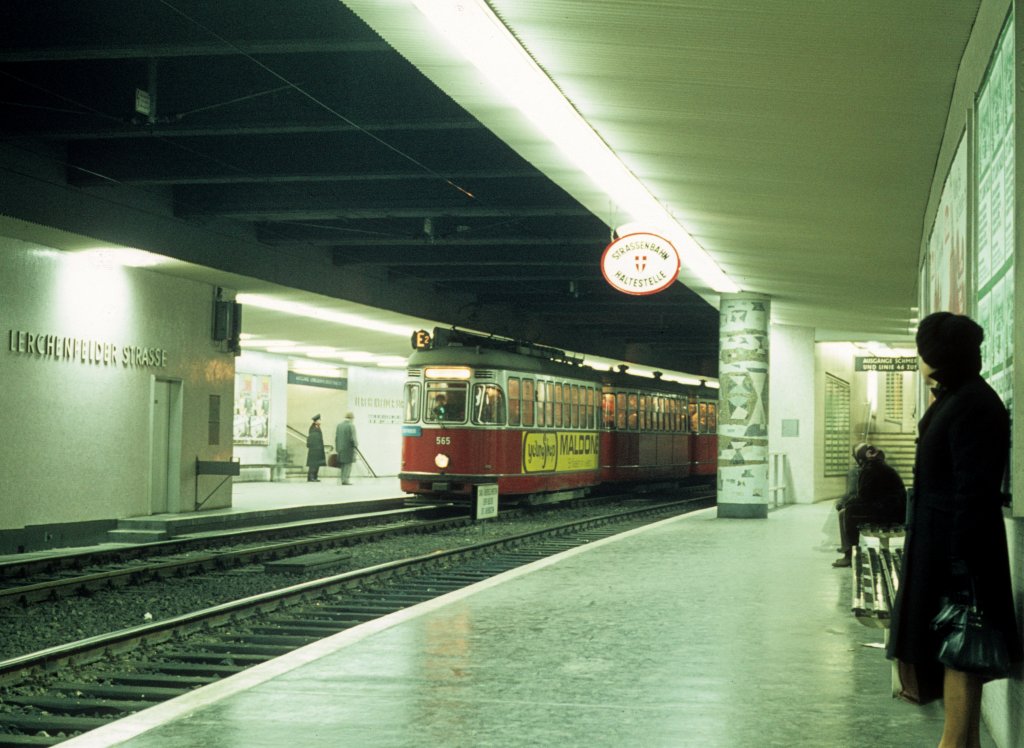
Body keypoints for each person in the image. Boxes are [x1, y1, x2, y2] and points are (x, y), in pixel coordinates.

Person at [886, 312, 1022, 745]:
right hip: (944, 546)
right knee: (951, 649)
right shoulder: (959, 397)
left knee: (960, 648)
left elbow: (972, 492)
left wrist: (963, 569)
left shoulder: (972, 404)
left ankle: (953, 743)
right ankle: (960, 742)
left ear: (936, 353)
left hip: (956, 553)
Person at [831, 443, 906, 567]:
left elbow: (863, 496)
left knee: (849, 511)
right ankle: (848, 551)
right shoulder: (876, 465)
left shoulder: (872, 468)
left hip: (889, 513)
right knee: (845, 511)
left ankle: (850, 555)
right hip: (891, 510)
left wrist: (846, 504)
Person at [334, 411, 358, 485]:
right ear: (351, 418)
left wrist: (337, 448)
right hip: (348, 449)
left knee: (343, 465)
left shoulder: (339, 425)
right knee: (348, 465)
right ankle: (345, 480)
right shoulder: (351, 426)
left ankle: (343, 479)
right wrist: (356, 445)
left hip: (340, 449)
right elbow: (353, 438)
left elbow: (336, 438)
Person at [305, 414, 326, 482]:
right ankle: (311, 478)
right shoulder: (314, 428)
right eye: (319, 420)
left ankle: (314, 477)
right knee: (313, 464)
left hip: (318, 449)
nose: (320, 421)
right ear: (316, 421)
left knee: (316, 464)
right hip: (315, 449)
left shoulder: (317, 427)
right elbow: (313, 439)